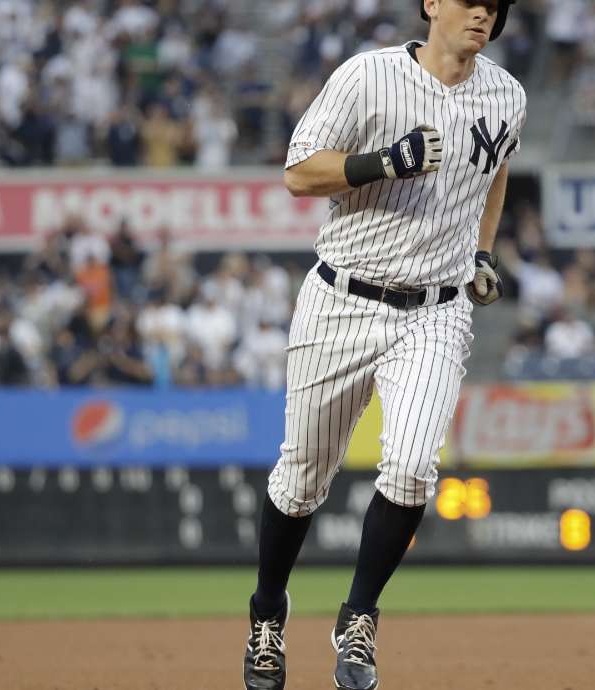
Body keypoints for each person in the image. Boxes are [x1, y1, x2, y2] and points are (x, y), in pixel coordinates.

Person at [243, 2, 526, 690]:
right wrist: (382, 161)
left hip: (434, 312)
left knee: (411, 471)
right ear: (431, 3)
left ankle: (359, 618)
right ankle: (266, 614)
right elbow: (298, 172)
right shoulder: (367, 76)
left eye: (495, 3)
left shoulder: (507, 95)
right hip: (341, 298)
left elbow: (497, 171)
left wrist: (482, 253)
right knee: (302, 477)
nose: (484, 12)